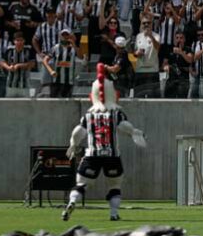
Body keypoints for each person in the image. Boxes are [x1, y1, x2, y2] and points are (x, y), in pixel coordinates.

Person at [61, 63, 147, 222]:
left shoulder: (88, 116)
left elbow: (78, 132)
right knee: (114, 185)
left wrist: (73, 144)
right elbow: (125, 127)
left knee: (81, 184)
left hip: (92, 154)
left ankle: (72, 202)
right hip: (112, 155)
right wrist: (135, 133)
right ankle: (113, 213)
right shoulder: (116, 114)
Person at [43, 28, 79, 98]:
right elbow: (45, 60)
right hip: (56, 80)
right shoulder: (56, 48)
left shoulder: (73, 48)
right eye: (63, 35)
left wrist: (74, 44)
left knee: (67, 103)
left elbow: (81, 56)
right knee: (53, 102)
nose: (65, 37)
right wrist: (51, 71)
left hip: (68, 81)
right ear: (60, 36)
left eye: (67, 35)